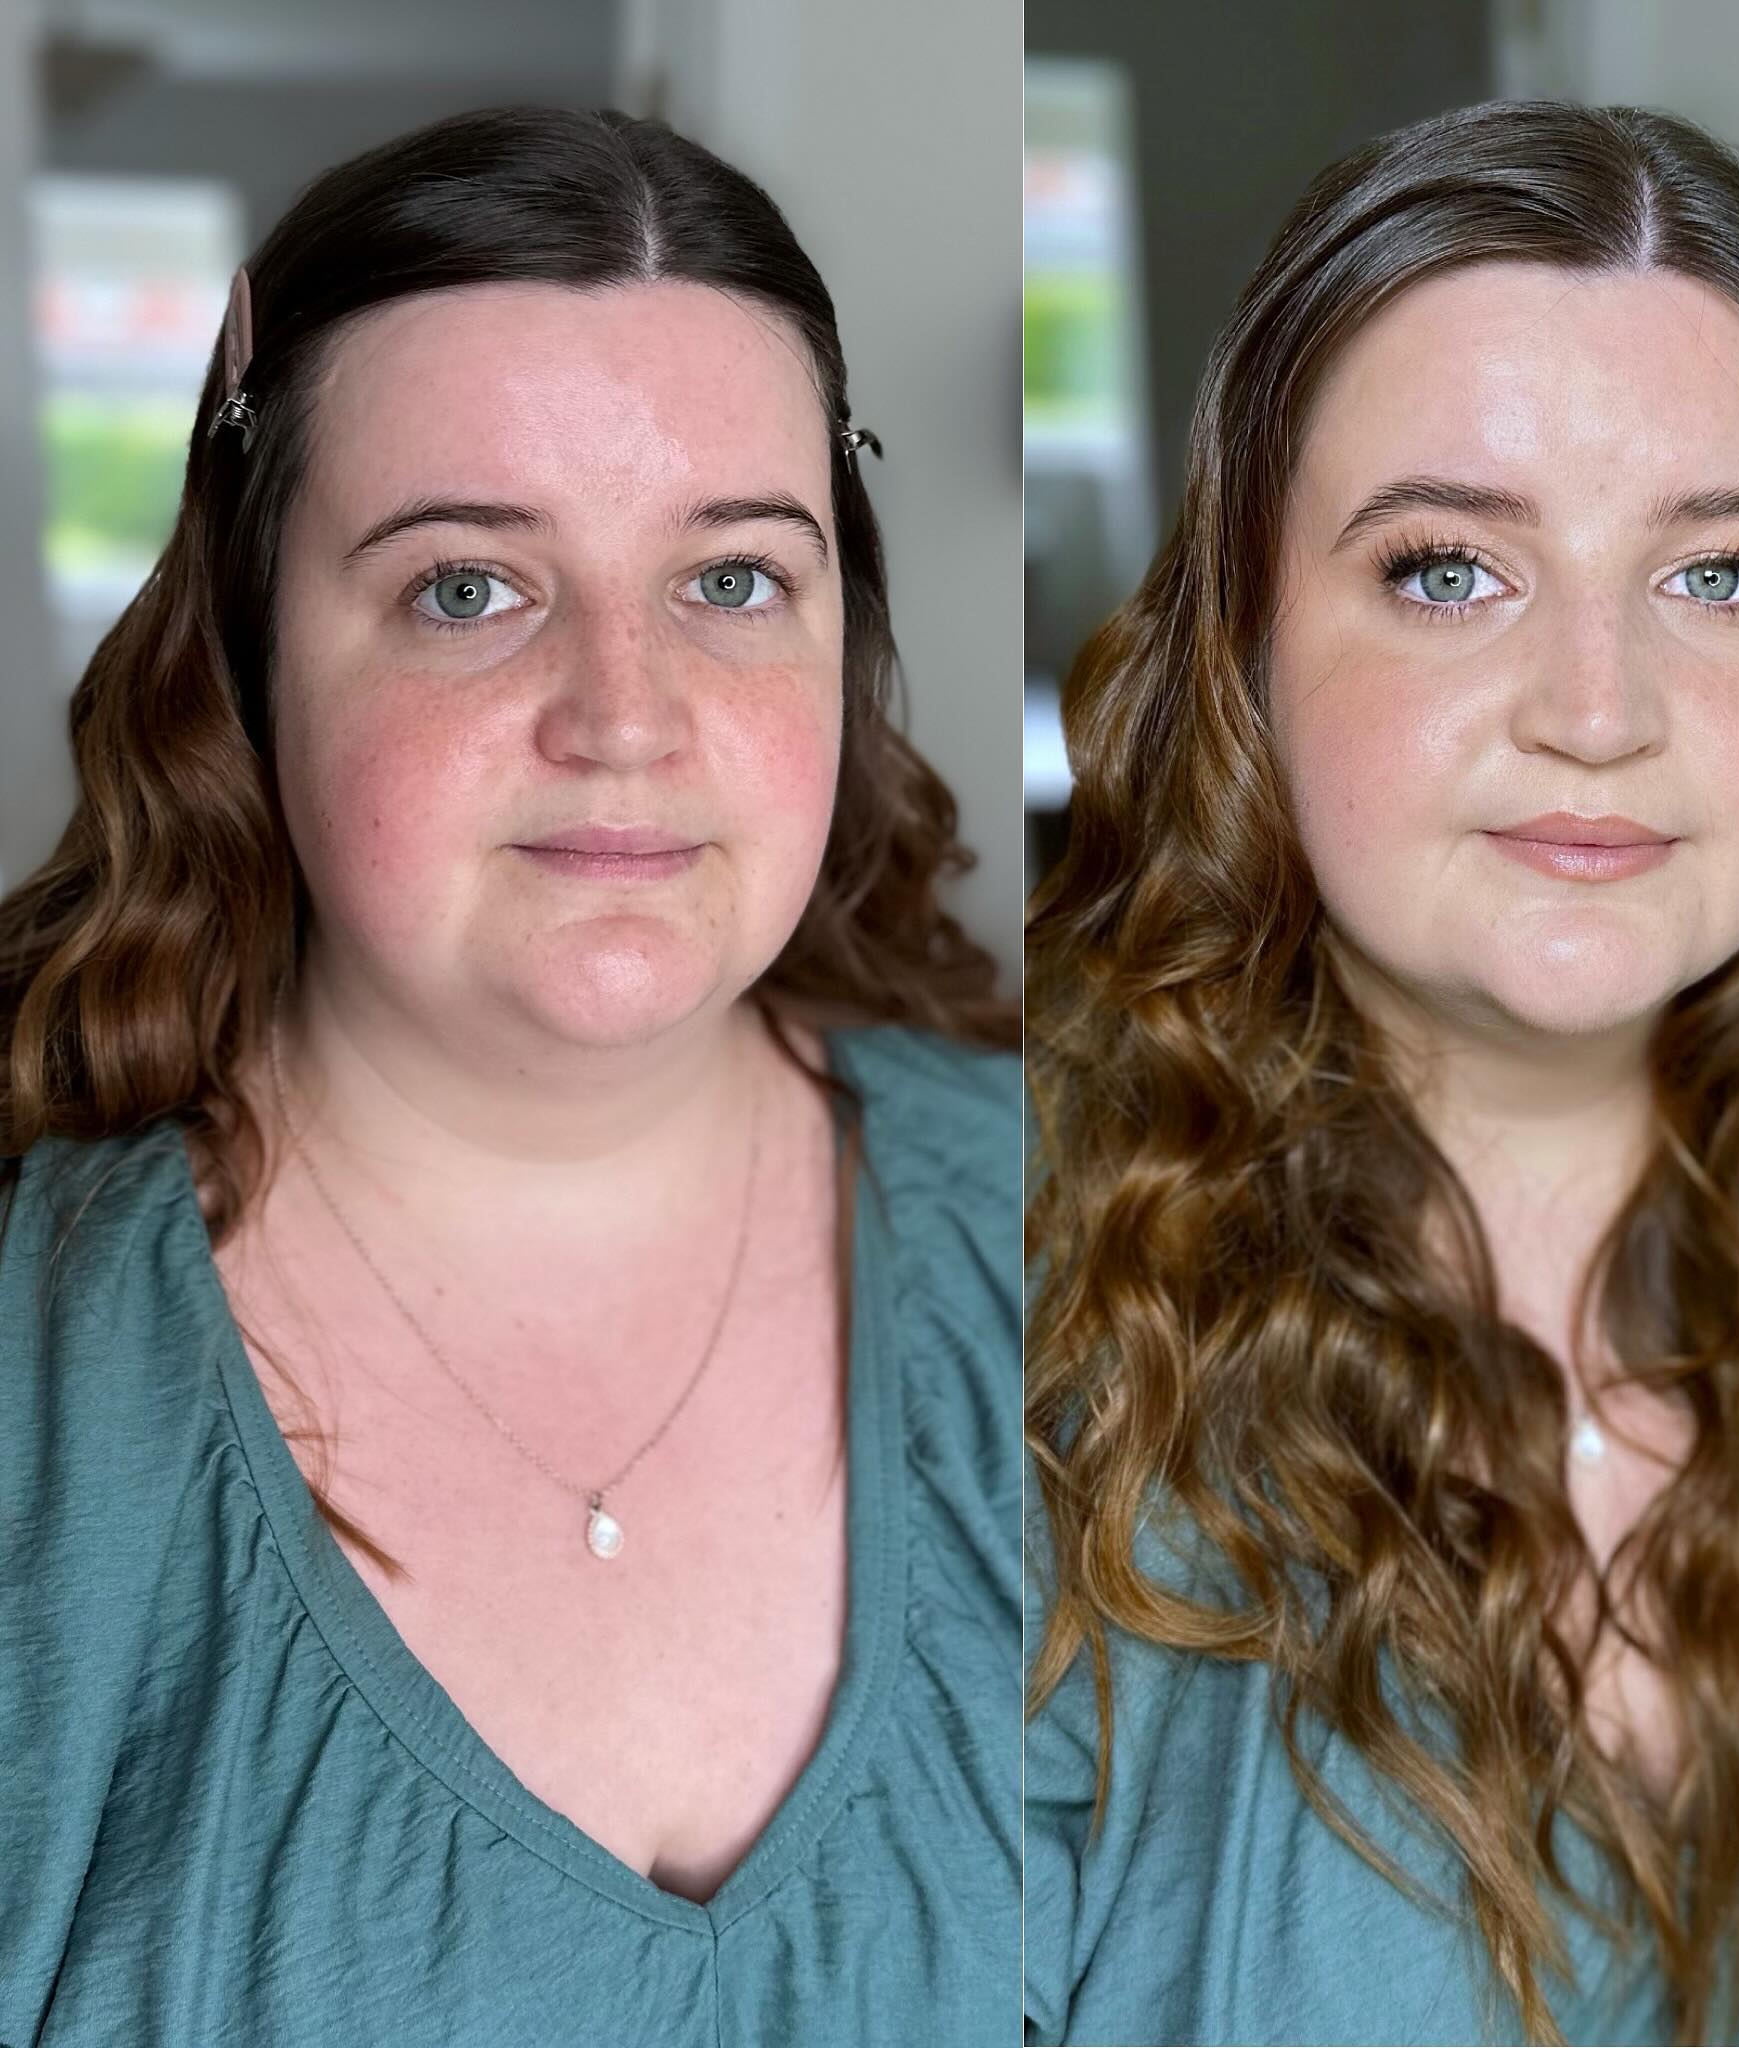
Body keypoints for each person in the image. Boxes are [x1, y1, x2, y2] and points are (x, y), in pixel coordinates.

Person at [1024, 99, 1739, 2047]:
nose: (1600, 709)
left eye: (1721, 575)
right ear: (1239, 637)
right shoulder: (980, 1309)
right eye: (1445, 571)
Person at [0, 106, 1020, 2047]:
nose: (623, 715)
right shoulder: (41, 1401)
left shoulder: (1095, 1242)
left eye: (731, 581)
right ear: (246, 651)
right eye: (469, 586)